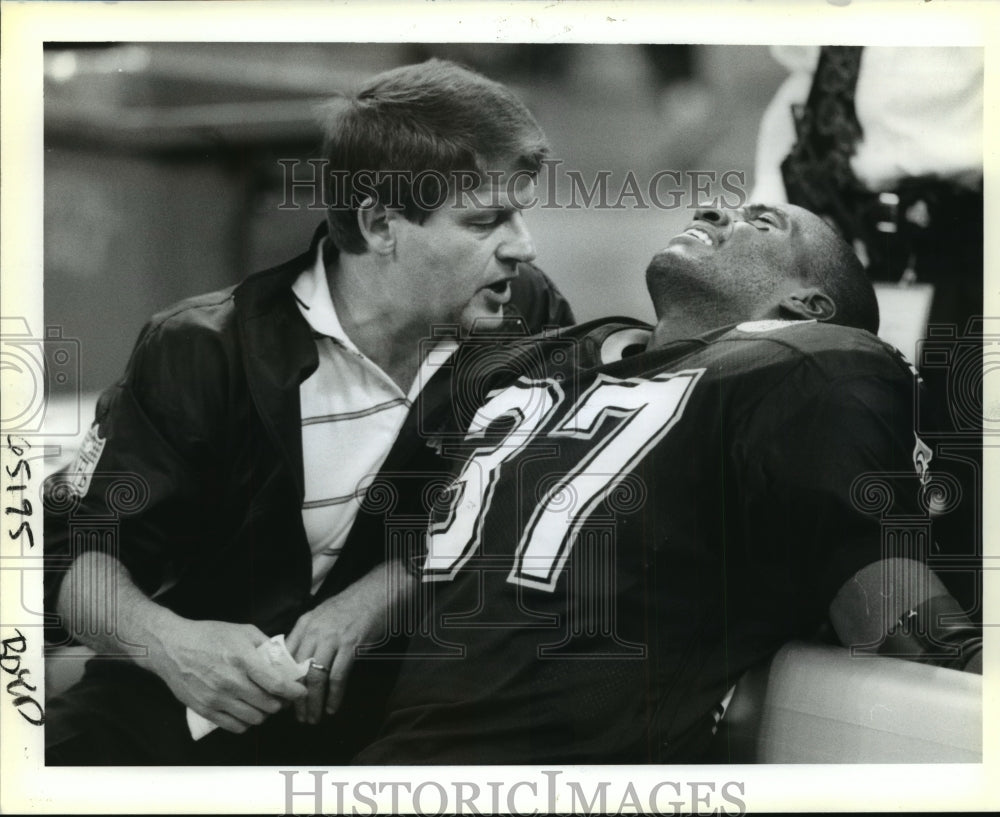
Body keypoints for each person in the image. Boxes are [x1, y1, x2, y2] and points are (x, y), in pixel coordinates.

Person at [42, 58, 573, 765]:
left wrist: (388, 589)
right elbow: (76, 557)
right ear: (382, 225)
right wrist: (172, 644)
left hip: (416, 703)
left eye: (521, 211)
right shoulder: (203, 352)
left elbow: (559, 495)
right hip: (201, 695)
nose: (523, 245)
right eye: (485, 221)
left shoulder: (527, 314)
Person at [353, 202, 982, 765]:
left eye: (763, 224)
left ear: (808, 307)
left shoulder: (810, 367)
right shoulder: (548, 359)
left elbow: (911, 628)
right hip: (389, 761)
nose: (714, 212)